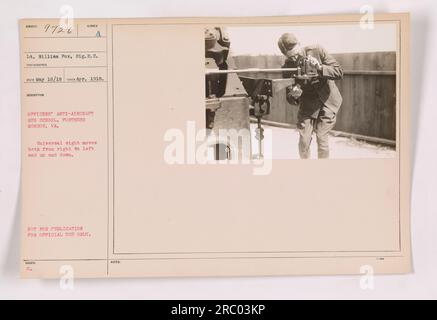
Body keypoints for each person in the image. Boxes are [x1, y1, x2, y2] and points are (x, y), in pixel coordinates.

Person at [278, 33, 343, 159]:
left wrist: (320, 67)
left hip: (327, 100)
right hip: (307, 104)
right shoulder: (287, 67)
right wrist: (294, 95)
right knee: (304, 142)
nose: (295, 59)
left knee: (321, 137)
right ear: (285, 55)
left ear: (299, 44)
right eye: (291, 57)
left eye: (297, 54)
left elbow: (339, 72)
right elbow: (290, 97)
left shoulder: (317, 50)